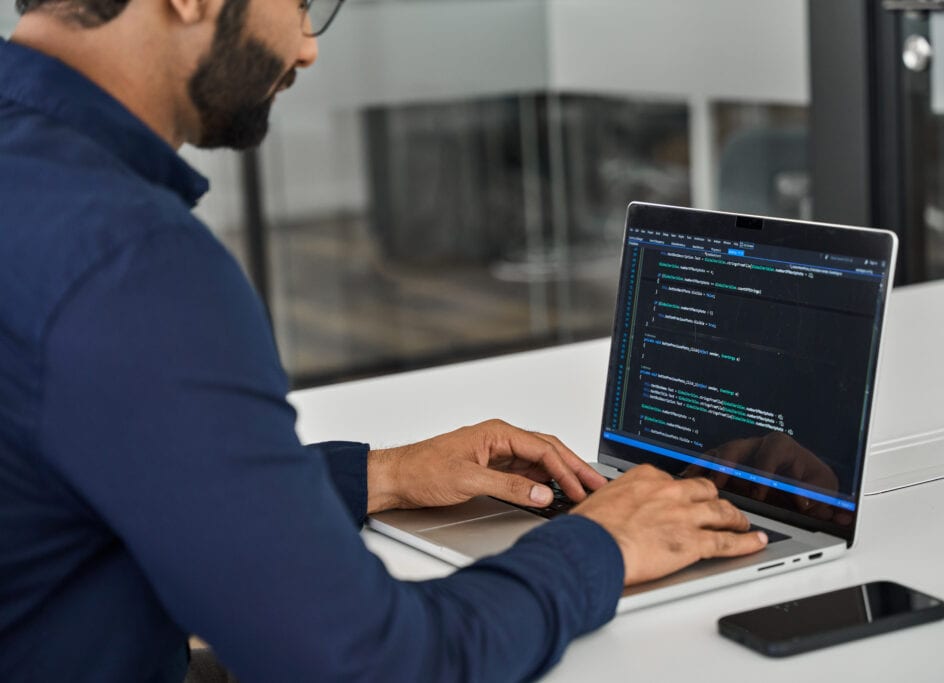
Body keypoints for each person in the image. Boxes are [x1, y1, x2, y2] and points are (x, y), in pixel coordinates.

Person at [0, 0, 768, 680]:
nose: (307, 47)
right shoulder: (132, 265)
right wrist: (599, 546)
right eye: (302, 2)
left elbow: (91, 472)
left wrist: (383, 476)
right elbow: (368, 661)